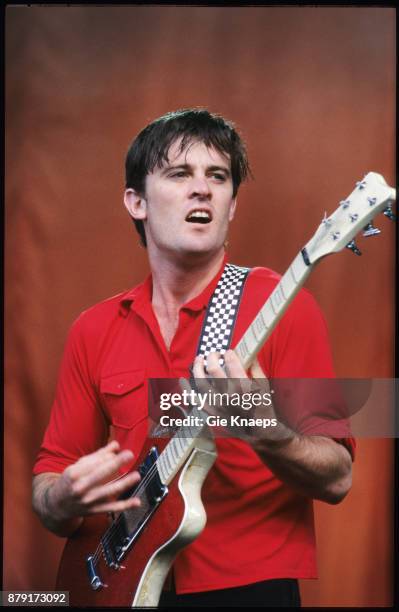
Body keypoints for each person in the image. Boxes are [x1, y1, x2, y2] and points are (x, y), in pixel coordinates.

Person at [32, 108, 354, 607]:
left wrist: (266, 430)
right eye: (180, 174)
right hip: (119, 584)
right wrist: (61, 498)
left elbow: (338, 477)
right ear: (135, 201)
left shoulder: (285, 308)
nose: (202, 189)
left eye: (218, 177)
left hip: (247, 589)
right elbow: (51, 478)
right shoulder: (93, 329)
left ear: (231, 206)